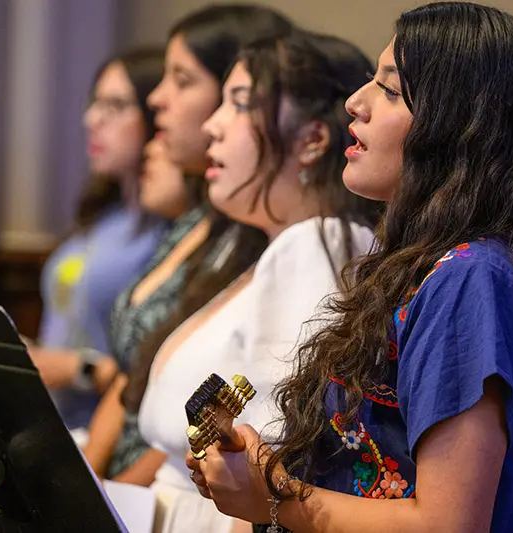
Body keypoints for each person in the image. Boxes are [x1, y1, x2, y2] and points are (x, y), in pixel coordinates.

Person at [187, 3, 513, 533]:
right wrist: (261, 472)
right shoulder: (423, 266)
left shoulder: (472, 276)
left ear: (462, 125)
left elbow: (447, 523)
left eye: (390, 90)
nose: (355, 102)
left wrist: (275, 496)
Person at [137, 30, 382, 533]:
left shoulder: (315, 246)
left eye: (241, 104)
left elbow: (271, 455)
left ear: (313, 140)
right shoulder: (281, 248)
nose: (213, 125)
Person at [81, 3, 295, 479]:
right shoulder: (194, 221)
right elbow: (134, 372)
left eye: (181, 80)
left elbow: (218, 411)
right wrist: (90, 477)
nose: (157, 98)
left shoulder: (269, 238)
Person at [26, 48, 168, 430]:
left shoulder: (170, 232)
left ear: (158, 115)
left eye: (116, 105)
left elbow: (154, 373)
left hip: (106, 435)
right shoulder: (105, 215)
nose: (91, 119)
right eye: (96, 103)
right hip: (53, 425)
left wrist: (79, 369)